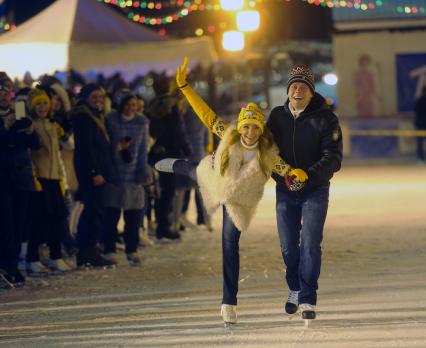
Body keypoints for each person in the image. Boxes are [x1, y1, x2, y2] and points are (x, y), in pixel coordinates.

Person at [155, 57, 307, 325]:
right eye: (246, 126)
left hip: (237, 201)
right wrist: (186, 88)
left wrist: (299, 174)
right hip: (217, 178)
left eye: (255, 127)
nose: (250, 132)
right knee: (192, 170)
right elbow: (206, 115)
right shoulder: (227, 135)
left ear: (261, 129)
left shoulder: (267, 154)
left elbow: (287, 170)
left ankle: (228, 302)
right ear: (240, 126)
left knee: (230, 246)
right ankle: (167, 163)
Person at [267, 64, 343, 321]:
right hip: (285, 190)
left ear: (311, 93)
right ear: (288, 91)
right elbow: (265, 151)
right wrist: (282, 176)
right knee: (289, 247)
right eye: (293, 86)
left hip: (315, 189)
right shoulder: (277, 117)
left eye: (303, 87)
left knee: (309, 244)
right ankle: (295, 288)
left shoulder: (326, 118)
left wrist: (308, 175)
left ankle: (308, 298)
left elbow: (333, 157)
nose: (297, 90)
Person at [71, 83, 118, 268]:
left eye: (101, 97)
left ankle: (90, 251)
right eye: (94, 97)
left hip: (96, 171)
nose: (98, 100)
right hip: (91, 173)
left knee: (96, 211)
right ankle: (87, 252)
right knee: (93, 212)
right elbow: (87, 148)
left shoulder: (95, 115)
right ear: (85, 98)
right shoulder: (84, 117)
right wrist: (95, 172)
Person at [103, 90, 152, 266]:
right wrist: (117, 147)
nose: (131, 108)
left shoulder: (142, 123)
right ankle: (109, 249)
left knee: (134, 216)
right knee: (112, 214)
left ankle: (132, 249)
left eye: (134, 105)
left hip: (134, 173)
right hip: (114, 172)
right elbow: (105, 144)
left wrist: (143, 171)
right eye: (128, 105)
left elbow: (143, 150)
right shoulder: (111, 120)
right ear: (121, 105)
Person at [0, 74, 40, 286]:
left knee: (19, 224)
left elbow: (35, 144)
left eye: (6, 91)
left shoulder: (20, 113)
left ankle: (13, 264)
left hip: (22, 177)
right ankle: (6, 265)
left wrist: (30, 129)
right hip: (3, 178)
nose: (4, 95)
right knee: (5, 224)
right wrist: (5, 128)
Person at [26, 88, 71, 273]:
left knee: (57, 219)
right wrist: (34, 177)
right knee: (39, 220)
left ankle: (55, 256)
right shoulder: (31, 127)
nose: (42, 107)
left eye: (45, 103)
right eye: (38, 104)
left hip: (54, 179)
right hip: (40, 179)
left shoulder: (53, 126)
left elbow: (58, 155)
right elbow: (29, 155)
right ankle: (32, 258)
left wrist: (61, 178)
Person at [145, 75, 193, 241]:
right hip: (170, 153)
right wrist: (188, 150)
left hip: (155, 152)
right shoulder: (172, 106)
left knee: (159, 191)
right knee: (168, 190)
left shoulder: (151, 105)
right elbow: (178, 130)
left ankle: (159, 224)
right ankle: (163, 227)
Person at [414, 85, 426, 162]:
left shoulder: (418, 101)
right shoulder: (419, 101)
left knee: (420, 142)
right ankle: (420, 158)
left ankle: (420, 158)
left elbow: (416, 113)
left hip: (419, 124)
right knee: (420, 142)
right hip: (421, 124)